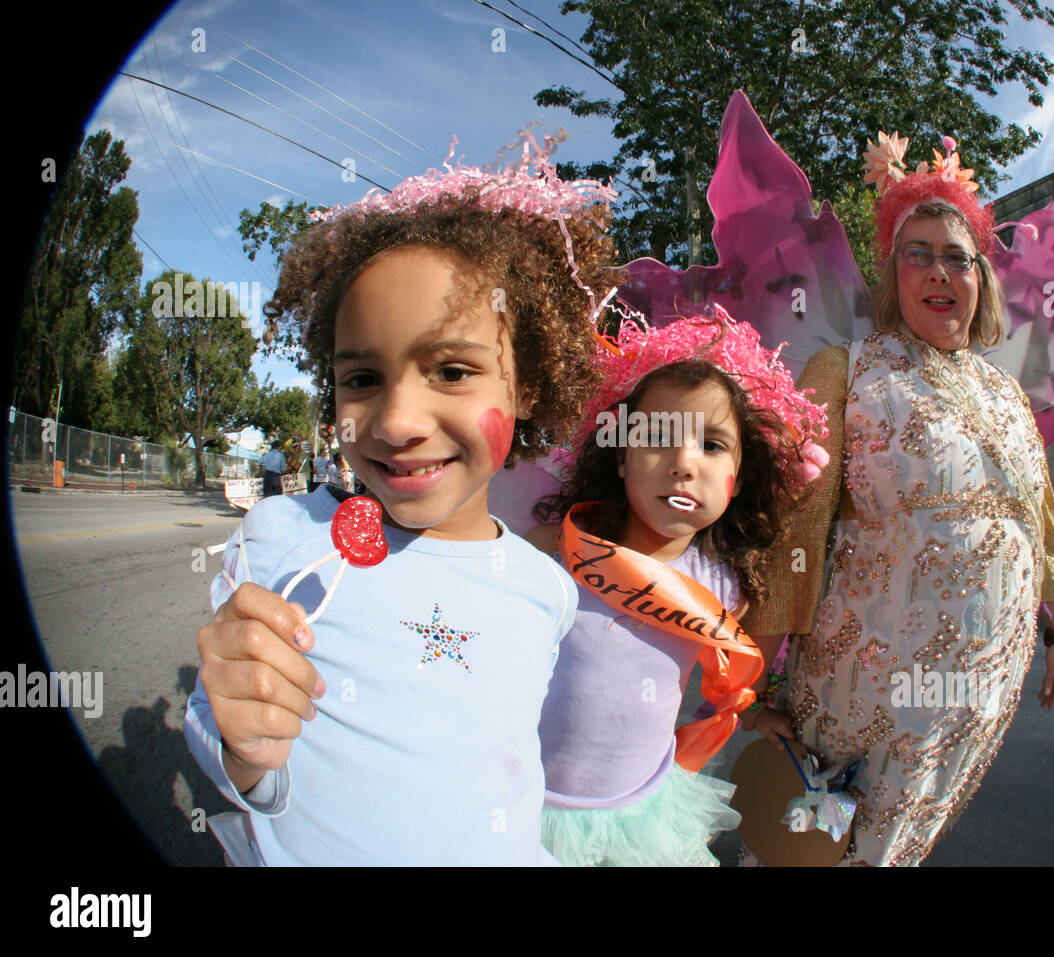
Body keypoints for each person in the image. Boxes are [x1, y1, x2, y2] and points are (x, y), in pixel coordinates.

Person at [182, 139, 620, 865]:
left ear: (528, 384)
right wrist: (240, 744)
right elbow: (225, 739)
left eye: (451, 370)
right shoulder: (279, 539)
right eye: (361, 379)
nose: (394, 421)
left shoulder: (547, 589)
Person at [741, 134, 1054, 867]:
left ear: (980, 277)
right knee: (817, 852)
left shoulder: (1009, 391)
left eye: (958, 256)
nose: (939, 271)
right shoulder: (848, 370)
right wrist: (748, 684)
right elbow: (795, 533)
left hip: (977, 696)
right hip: (861, 693)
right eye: (916, 253)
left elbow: (1038, 513)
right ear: (892, 275)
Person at [523, 311, 826, 866]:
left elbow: (730, 667)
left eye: (712, 446)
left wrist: (754, 713)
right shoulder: (552, 549)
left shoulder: (725, 583)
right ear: (620, 458)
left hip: (642, 815)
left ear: (740, 476)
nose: (684, 464)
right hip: (526, 806)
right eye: (659, 437)